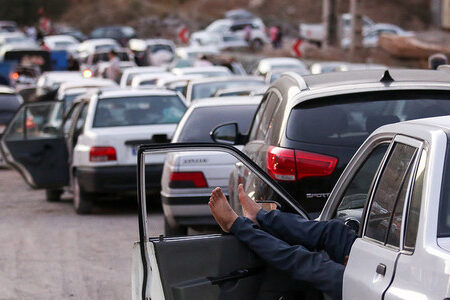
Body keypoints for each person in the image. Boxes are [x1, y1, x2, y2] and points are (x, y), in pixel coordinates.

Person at [208, 184, 357, 300]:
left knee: (302, 259)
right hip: (373, 263)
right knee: (335, 230)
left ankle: (236, 224)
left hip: (367, 286)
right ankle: (261, 216)